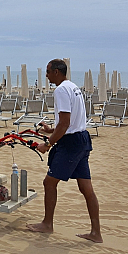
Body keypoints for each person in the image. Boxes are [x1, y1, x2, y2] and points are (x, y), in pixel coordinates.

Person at [26, 59, 102, 243]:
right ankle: (96, 233)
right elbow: (70, 122)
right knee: (86, 188)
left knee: (49, 183)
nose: (46, 75)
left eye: (48, 71)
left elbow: (66, 122)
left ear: (57, 72)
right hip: (82, 139)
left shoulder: (60, 90)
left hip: (71, 144)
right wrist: (50, 129)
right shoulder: (73, 87)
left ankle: (47, 224)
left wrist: (48, 144)